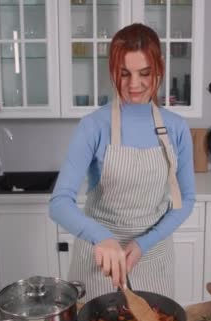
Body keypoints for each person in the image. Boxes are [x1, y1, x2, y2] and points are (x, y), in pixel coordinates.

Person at [49, 23, 195, 300]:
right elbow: (59, 203)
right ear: (112, 71)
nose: (134, 84)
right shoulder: (93, 126)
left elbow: (186, 200)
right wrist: (101, 238)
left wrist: (143, 243)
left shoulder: (176, 128)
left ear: (159, 69)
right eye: (124, 73)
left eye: (145, 73)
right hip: (99, 263)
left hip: (153, 258)